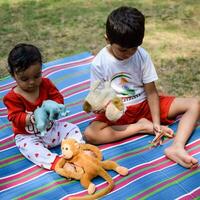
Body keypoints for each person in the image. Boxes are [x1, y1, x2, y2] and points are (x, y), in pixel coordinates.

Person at [84, 6, 200, 169]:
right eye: (123, 50)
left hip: (145, 105)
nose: (129, 54)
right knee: (90, 134)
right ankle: (140, 127)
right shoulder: (99, 63)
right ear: (107, 39)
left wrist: (157, 123)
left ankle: (177, 147)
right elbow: (98, 95)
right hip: (119, 111)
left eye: (134, 48)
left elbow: (151, 91)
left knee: (195, 103)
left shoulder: (142, 55)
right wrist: (101, 106)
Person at [3, 43, 85, 171]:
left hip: (52, 129)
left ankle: (78, 151)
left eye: (36, 76)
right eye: (24, 79)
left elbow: (58, 98)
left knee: (72, 128)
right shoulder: (12, 97)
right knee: (29, 148)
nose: (32, 82)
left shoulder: (45, 84)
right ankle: (57, 162)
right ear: (13, 75)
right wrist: (33, 117)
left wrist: (56, 107)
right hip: (28, 136)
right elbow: (15, 117)